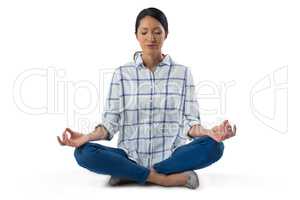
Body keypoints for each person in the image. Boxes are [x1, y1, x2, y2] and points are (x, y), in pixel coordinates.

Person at [57, 7, 236, 189]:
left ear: (166, 34)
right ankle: (162, 178)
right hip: (130, 156)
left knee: (215, 147)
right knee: (83, 152)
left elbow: (191, 122)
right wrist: (86, 137)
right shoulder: (122, 74)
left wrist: (209, 133)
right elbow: (110, 123)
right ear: (136, 35)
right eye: (144, 32)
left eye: (157, 32)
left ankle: (129, 173)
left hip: (172, 156)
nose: (151, 38)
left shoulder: (182, 73)